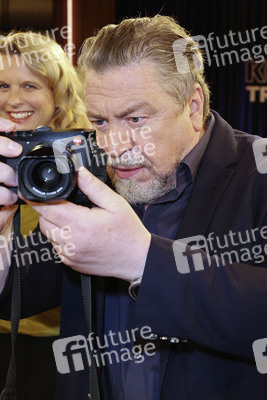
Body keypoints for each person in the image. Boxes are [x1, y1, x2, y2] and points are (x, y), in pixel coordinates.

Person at [0, 15, 267, 400]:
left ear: (193, 105)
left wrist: (141, 260)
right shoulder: (88, 175)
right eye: (100, 121)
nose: (114, 144)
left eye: (136, 119)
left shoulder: (256, 171)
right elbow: (19, 291)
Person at [0, 31, 90, 399]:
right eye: (2, 85)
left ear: (58, 95)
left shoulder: (79, 160)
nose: (13, 99)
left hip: (55, 349)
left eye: (30, 85)